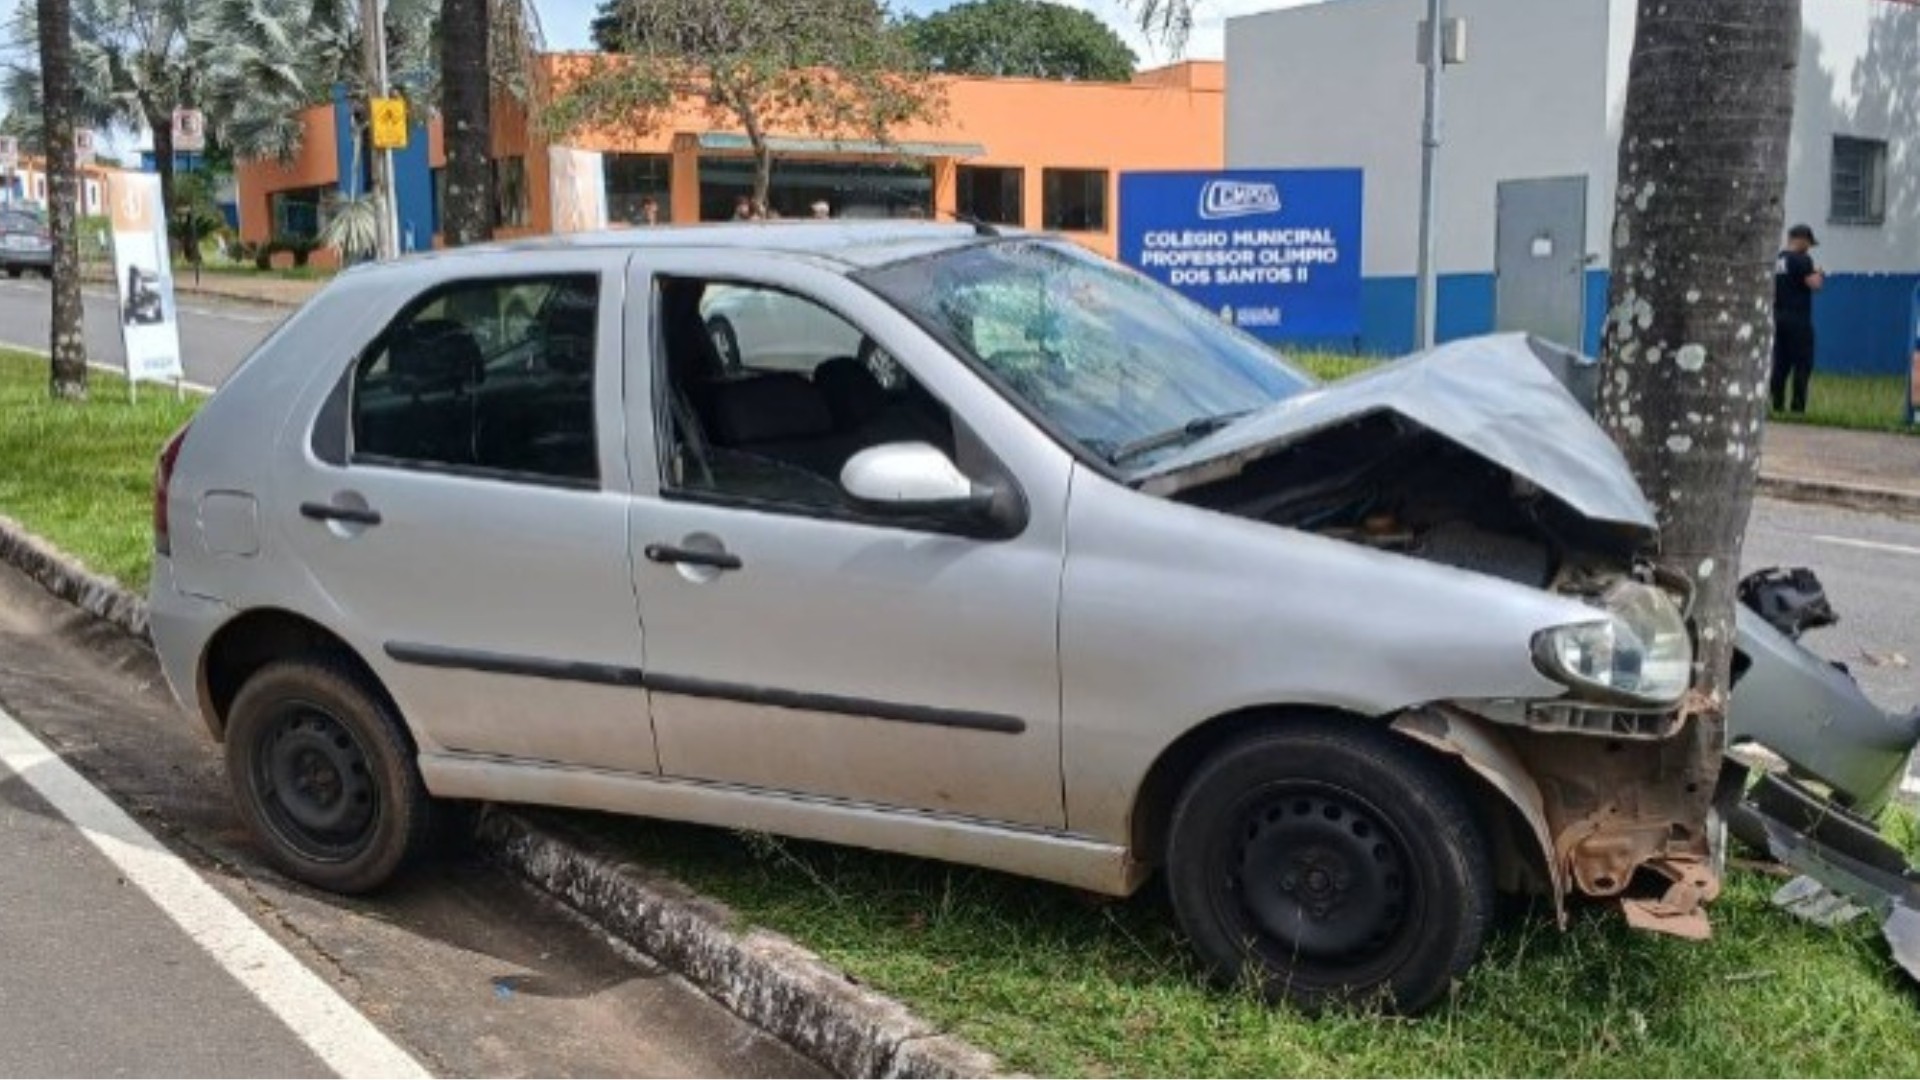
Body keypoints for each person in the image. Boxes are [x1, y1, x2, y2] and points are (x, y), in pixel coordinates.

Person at [1770, 223, 1825, 414]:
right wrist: (1820, 274)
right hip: (1798, 320)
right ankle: (1797, 408)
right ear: (1801, 240)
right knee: (1803, 363)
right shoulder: (1802, 260)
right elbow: (1815, 285)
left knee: (1780, 363)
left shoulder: (1777, 260)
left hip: (1777, 318)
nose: (1809, 247)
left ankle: (1776, 405)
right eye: (1808, 243)